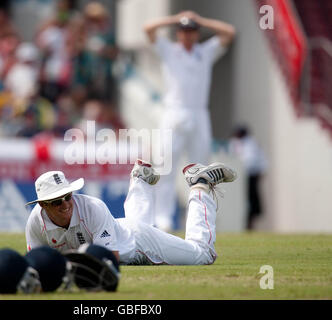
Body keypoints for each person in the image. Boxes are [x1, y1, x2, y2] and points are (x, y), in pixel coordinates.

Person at [25, 159, 237, 266]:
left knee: (203, 255)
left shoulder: (92, 208)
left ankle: (200, 184)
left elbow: (108, 260)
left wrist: (61, 261)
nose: (65, 204)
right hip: (122, 229)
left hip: (138, 243)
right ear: (43, 205)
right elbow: (35, 261)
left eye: (68, 196)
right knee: (131, 223)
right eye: (56, 202)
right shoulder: (35, 222)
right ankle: (140, 179)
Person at [143, 11, 236, 231]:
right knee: (166, 166)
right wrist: (175, 18)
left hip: (199, 113)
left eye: (192, 31)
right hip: (173, 112)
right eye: (184, 31)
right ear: (178, 34)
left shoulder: (204, 52)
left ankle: (198, 217)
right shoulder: (168, 50)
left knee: (201, 167)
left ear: (196, 34)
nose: (187, 35)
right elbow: (148, 28)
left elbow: (229, 33)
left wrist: (201, 20)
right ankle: (163, 218)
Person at [229, 126, 267, 230]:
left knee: (252, 201)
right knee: (241, 201)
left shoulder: (252, 143)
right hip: (238, 178)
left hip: (250, 176)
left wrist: (261, 171)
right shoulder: (234, 142)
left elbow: (253, 160)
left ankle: (250, 225)